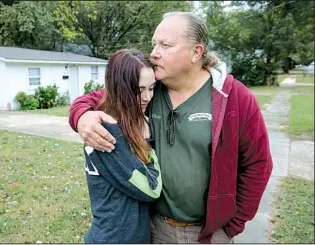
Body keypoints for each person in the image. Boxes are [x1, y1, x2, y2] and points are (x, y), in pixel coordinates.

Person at [69, 12, 273, 244]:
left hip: (210, 233)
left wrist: (233, 225)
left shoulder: (234, 97)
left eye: (165, 45)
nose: (154, 53)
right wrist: (81, 116)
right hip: (155, 228)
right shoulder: (148, 90)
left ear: (196, 52)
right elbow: (97, 99)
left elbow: (258, 163)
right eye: (154, 43)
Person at [82, 48, 162, 243]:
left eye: (152, 88)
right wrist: (148, 144)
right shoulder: (107, 133)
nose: (147, 98)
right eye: (138, 90)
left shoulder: (129, 124)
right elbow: (151, 188)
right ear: (119, 88)